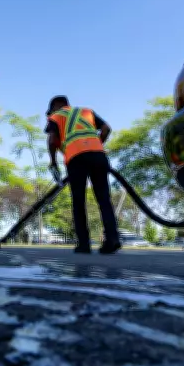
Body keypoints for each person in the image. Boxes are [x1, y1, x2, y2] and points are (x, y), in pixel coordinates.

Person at [45, 95, 121, 254]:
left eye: (50, 111)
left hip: (76, 158)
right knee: (104, 199)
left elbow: (52, 141)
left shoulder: (56, 116)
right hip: (98, 156)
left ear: (55, 106)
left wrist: (53, 162)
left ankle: (84, 244)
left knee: (78, 201)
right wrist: (96, 145)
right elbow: (106, 129)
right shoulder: (87, 112)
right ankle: (112, 239)